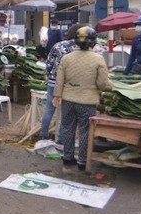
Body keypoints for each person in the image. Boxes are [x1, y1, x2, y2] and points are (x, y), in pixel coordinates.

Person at [53, 26, 113, 172]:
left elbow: (59, 80)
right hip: (87, 101)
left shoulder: (66, 58)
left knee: (67, 128)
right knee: (85, 130)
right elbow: (102, 83)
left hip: (68, 100)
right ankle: (82, 160)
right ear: (93, 42)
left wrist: (57, 96)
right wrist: (109, 88)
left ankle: (67, 158)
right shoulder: (98, 59)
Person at [39, 23, 80, 141]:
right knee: (66, 113)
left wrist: (48, 75)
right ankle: (61, 139)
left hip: (53, 82)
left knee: (49, 109)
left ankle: (43, 134)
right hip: (70, 84)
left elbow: (49, 63)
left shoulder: (59, 45)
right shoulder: (80, 47)